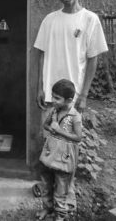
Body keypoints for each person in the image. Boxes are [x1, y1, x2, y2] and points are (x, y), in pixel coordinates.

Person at [33, 0, 108, 209]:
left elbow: (93, 59)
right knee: (49, 144)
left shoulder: (89, 19)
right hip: (50, 96)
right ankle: (48, 191)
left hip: (71, 99)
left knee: (68, 147)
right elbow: (41, 54)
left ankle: (67, 195)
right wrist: (39, 87)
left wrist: (83, 95)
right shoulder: (50, 20)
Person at [36, 79, 82, 221]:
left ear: (68, 100)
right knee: (46, 185)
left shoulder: (75, 117)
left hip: (64, 159)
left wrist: (59, 131)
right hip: (49, 155)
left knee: (61, 190)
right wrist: (51, 129)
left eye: (57, 98)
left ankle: (60, 215)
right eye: (53, 96)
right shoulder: (54, 111)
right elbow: (45, 125)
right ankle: (47, 208)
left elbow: (78, 137)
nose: (53, 100)